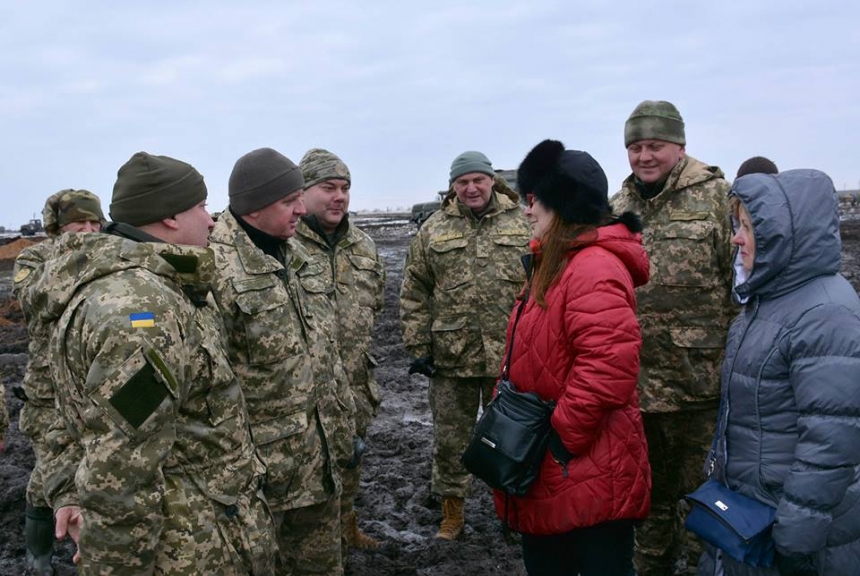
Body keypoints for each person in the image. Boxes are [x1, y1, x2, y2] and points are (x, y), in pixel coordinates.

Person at [36, 152, 275, 574]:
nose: (212, 219)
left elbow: (75, 419)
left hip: (204, 529)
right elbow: (123, 468)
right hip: (189, 547)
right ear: (168, 217)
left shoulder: (157, 287)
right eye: (201, 206)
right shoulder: (142, 311)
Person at [493, 139, 651, 576]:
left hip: (582, 468)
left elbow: (608, 367)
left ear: (561, 204)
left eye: (534, 199)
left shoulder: (592, 268)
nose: (527, 210)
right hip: (555, 468)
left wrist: (561, 441)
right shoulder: (557, 262)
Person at [700, 169, 860, 576]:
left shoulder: (824, 314)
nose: (736, 238)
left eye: (748, 228)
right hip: (754, 516)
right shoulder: (770, 298)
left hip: (788, 536)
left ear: (783, 236)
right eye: (737, 225)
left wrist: (793, 537)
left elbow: (830, 440)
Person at [209, 147, 355, 576]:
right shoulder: (214, 268)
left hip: (321, 458)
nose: (300, 209)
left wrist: (343, 429)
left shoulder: (299, 255)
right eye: (288, 200)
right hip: (260, 476)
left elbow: (327, 351)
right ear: (254, 207)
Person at [610, 100, 735, 576]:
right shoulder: (618, 207)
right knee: (646, 500)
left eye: (655, 146)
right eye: (635, 147)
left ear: (679, 146)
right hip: (636, 387)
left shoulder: (717, 198)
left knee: (702, 500)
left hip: (700, 386)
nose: (644, 156)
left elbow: (737, 288)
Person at [400, 150, 532, 539]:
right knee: (450, 440)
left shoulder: (522, 223)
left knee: (513, 439)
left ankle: (513, 513)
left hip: (511, 357)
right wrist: (417, 345)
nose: (471, 188)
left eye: (478, 179)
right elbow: (414, 289)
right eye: (462, 182)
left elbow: (546, 283)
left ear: (492, 180)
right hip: (451, 358)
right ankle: (452, 514)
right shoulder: (435, 229)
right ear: (453, 186)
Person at [295, 148, 386, 553]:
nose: (340, 196)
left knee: (351, 463)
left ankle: (346, 528)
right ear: (302, 192)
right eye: (328, 187)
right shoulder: (284, 246)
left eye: (345, 188)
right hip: (304, 393)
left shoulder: (364, 247)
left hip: (354, 384)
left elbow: (377, 302)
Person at [12, 188, 104, 576]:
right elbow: (35, 301)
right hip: (49, 391)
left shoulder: (110, 252)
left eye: (93, 222)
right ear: (55, 228)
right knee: (46, 476)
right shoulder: (34, 259)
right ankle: (39, 558)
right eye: (76, 223)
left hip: (93, 382)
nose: (86, 230)